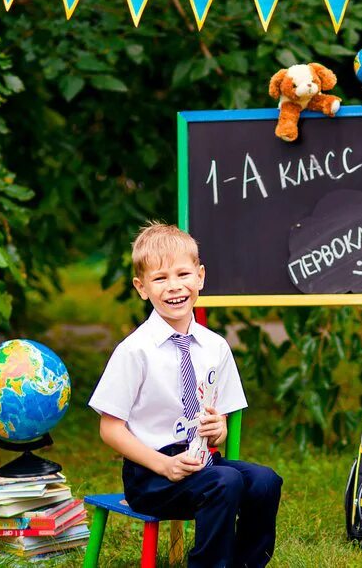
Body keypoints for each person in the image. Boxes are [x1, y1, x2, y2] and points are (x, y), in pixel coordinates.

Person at [89, 223, 283, 567]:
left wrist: (217, 428)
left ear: (200, 277)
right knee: (225, 481)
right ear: (142, 288)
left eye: (183, 274)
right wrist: (163, 465)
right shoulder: (135, 351)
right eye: (160, 278)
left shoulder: (215, 346)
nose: (174, 286)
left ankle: (246, 563)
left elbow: (222, 418)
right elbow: (111, 428)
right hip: (151, 475)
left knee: (265, 481)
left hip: (200, 463)